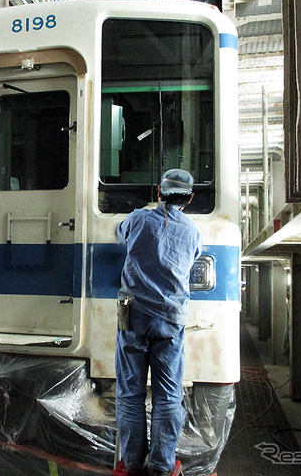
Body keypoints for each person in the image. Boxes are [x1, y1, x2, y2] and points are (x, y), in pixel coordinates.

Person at [112, 169, 202, 476]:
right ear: (189, 198)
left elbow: (119, 232)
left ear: (159, 193)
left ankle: (133, 462)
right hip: (171, 319)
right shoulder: (192, 231)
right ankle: (163, 464)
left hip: (133, 316)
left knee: (130, 391)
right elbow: (191, 260)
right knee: (167, 393)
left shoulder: (138, 218)